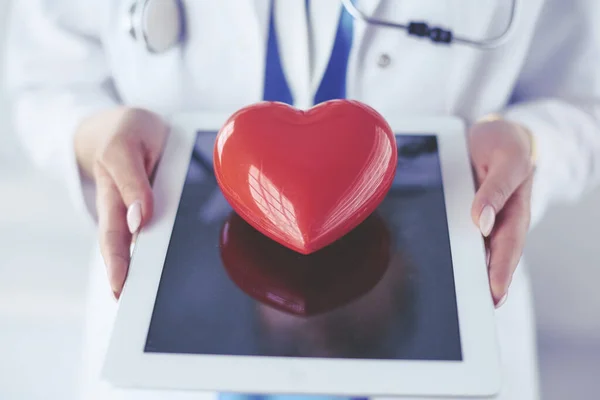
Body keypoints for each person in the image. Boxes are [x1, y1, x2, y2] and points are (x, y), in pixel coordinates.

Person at [4, 0, 600, 399]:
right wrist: (95, 135)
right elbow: (45, 83)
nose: (314, 332)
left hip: (450, 323)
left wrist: (529, 142)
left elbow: (583, 99)